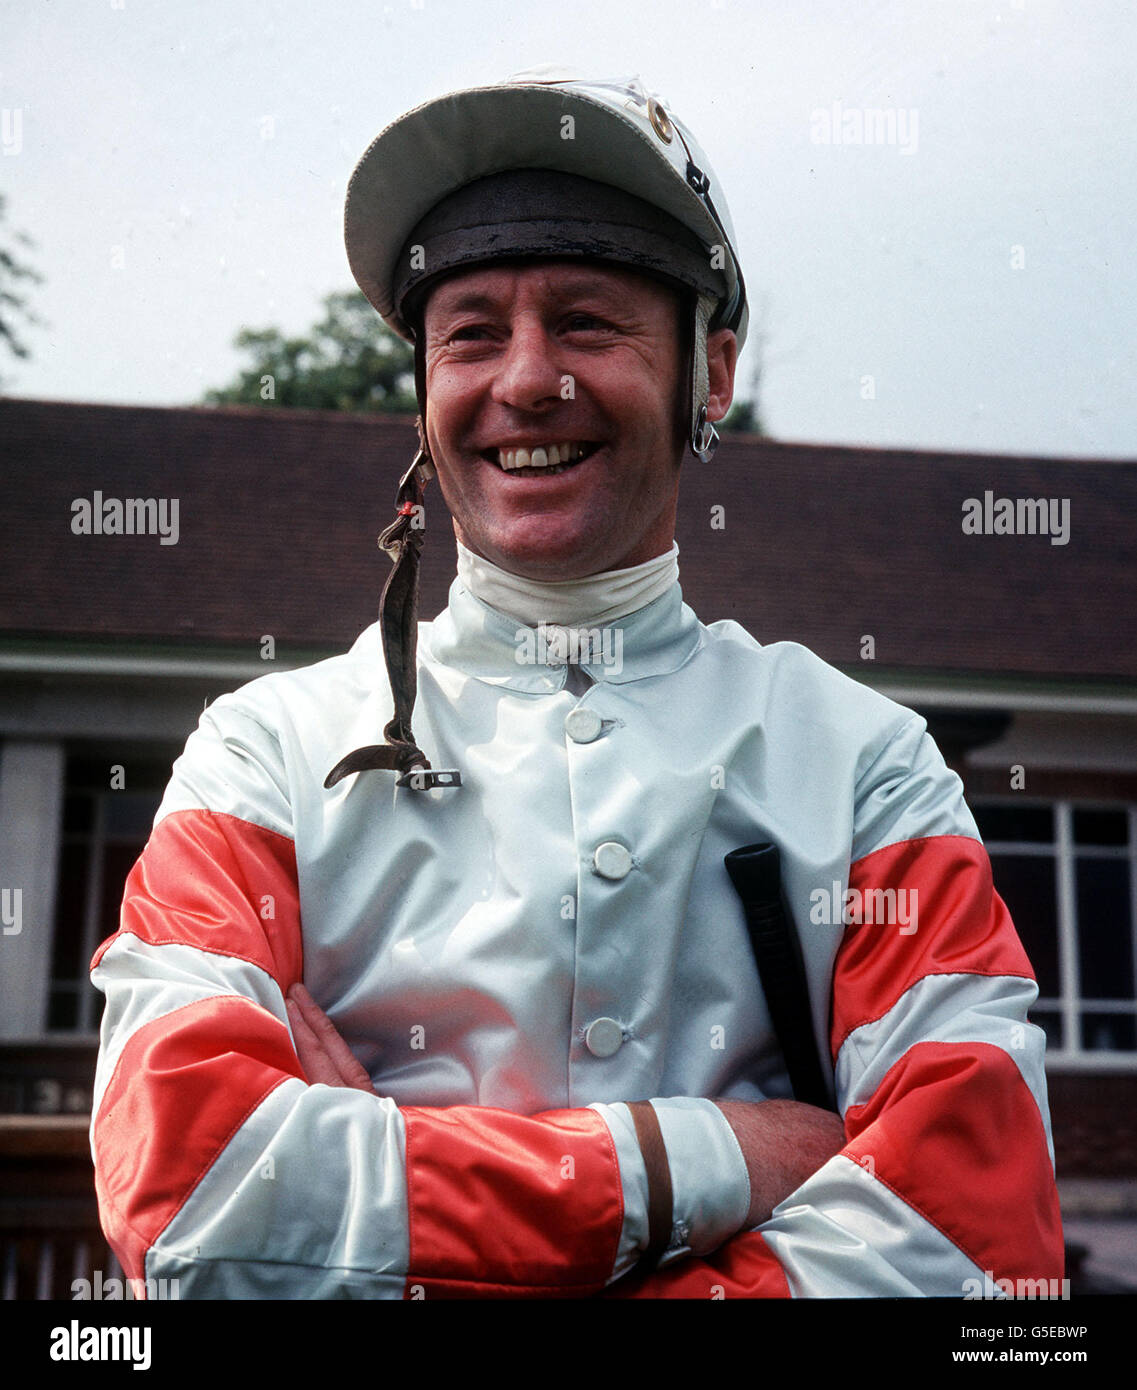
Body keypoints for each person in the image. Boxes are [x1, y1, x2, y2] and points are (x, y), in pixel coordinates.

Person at [89, 70, 1063, 1298]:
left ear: (711, 375)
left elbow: (977, 1246)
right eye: (472, 332)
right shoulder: (260, 753)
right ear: (427, 391)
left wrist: (377, 1200)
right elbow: (194, 1208)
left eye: (588, 322)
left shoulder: (866, 761)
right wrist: (720, 1158)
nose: (525, 379)